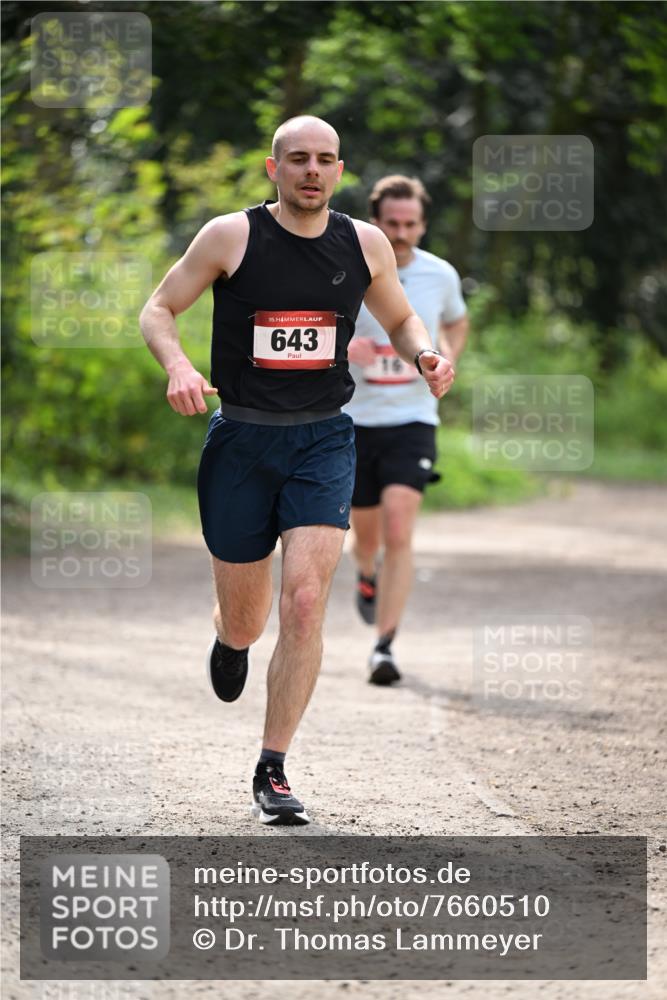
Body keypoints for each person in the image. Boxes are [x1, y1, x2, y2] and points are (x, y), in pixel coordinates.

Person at [139, 119, 454, 825]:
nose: (312, 170)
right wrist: (179, 365)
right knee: (248, 620)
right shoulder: (230, 236)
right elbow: (159, 308)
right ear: (273, 168)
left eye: (324, 160)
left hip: (323, 439)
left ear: (340, 170)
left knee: (306, 601)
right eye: (298, 159)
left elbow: (401, 319)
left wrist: (424, 353)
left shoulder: (365, 243)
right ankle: (231, 638)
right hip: (242, 440)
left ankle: (273, 767)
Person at [344, 175, 468, 685]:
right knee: (365, 536)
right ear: (376, 222)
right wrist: (344, 347)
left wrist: (446, 356)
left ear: (423, 224)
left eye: (410, 223)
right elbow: (318, 323)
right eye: (392, 223)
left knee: (399, 529)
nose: (400, 232)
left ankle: (384, 646)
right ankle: (365, 573)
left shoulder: (441, 274)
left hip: (413, 419)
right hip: (353, 419)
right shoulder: (348, 267)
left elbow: (456, 321)